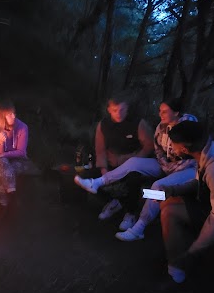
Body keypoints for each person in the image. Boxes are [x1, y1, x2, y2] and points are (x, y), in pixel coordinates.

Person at [147, 120, 214, 293]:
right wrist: (173, 190)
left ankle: (178, 278)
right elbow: (198, 182)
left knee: (170, 212)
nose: (172, 148)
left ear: (185, 148)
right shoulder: (209, 150)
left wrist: (194, 250)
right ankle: (177, 250)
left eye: (174, 145)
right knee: (167, 202)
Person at [75, 99, 198, 241]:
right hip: (167, 165)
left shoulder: (189, 123)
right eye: (160, 110)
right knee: (134, 162)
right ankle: (97, 182)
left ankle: (139, 227)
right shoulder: (161, 127)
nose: (160, 114)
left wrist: (170, 166)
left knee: (157, 187)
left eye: (164, 111)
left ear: (176, 112)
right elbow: (158, 151)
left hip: (188, 169)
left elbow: (194, 151)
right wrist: (165, 164)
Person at [75, 93, 154, 227]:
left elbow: (149, 146)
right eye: (115, 110)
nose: (119, 113)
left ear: (127, 109)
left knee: (133, 181)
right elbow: (100, 149)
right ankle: (116, 201)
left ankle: (130, 213)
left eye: (122, 110)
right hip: (111, 164)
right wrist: (104, 168)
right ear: (109, 110)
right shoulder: (104, 125)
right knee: (85, 176)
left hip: (132, 165)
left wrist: (133, 160)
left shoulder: (137, 123)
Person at [0, 100, 31, 206]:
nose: (13, 116)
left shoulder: (22, 127)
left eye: (13, 113)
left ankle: (3, 198)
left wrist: (2, 155)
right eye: (9, 114)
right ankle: (12, 196)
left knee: (6, 168)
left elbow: (21, 152)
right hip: (1, 162)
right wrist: (0, 142)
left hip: (19, 160)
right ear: (2, 117)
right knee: (3, 163)